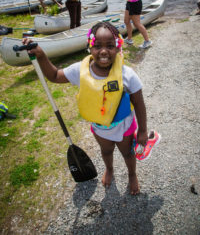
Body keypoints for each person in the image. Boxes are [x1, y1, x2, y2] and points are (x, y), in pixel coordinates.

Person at [22, 21, 160, 195]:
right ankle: (109, 169)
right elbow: (55, 75)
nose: (103, 51)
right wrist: (41, 55)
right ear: (89, 47)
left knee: (127, 153)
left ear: (118, 48)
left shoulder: (127, 75)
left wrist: (142, 131)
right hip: (99, 128)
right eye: (97, 46)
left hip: (123, 127)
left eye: (110, 46)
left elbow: (139, 104)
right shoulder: (80, 70)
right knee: (106, 150)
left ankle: (132, 175)